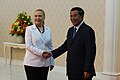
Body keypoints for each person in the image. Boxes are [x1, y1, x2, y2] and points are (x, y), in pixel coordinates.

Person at [45, 7, 96, 80]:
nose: (72, 18)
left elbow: (90, 52)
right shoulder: (71, 30)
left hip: (83, 71)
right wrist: (52, 53)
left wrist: (88, 69)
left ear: (82, 16)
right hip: (71, 70)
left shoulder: (88, 31)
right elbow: (65, 46)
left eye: (75, 16)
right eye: (71, 16)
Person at [23, 9, 54, 80]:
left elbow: (50, 46)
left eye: (40, 16)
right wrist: (42, 53)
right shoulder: (29, 29)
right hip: (32, 63)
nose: (37, 18)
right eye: (35, 16)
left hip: (45, 63)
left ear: (44, 17)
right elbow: (29, 46)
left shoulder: (48, 29)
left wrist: (51, 61)